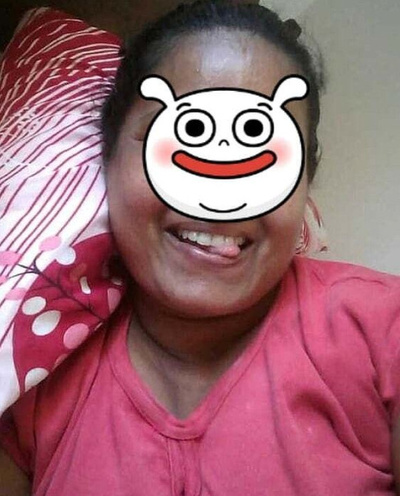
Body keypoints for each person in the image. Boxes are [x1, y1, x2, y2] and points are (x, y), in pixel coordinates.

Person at [1, 1, 400, 495]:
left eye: (265, 150)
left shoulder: (382, 330)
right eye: (184, 137)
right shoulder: (34, 380)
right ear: (107, 159)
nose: (220, 194)